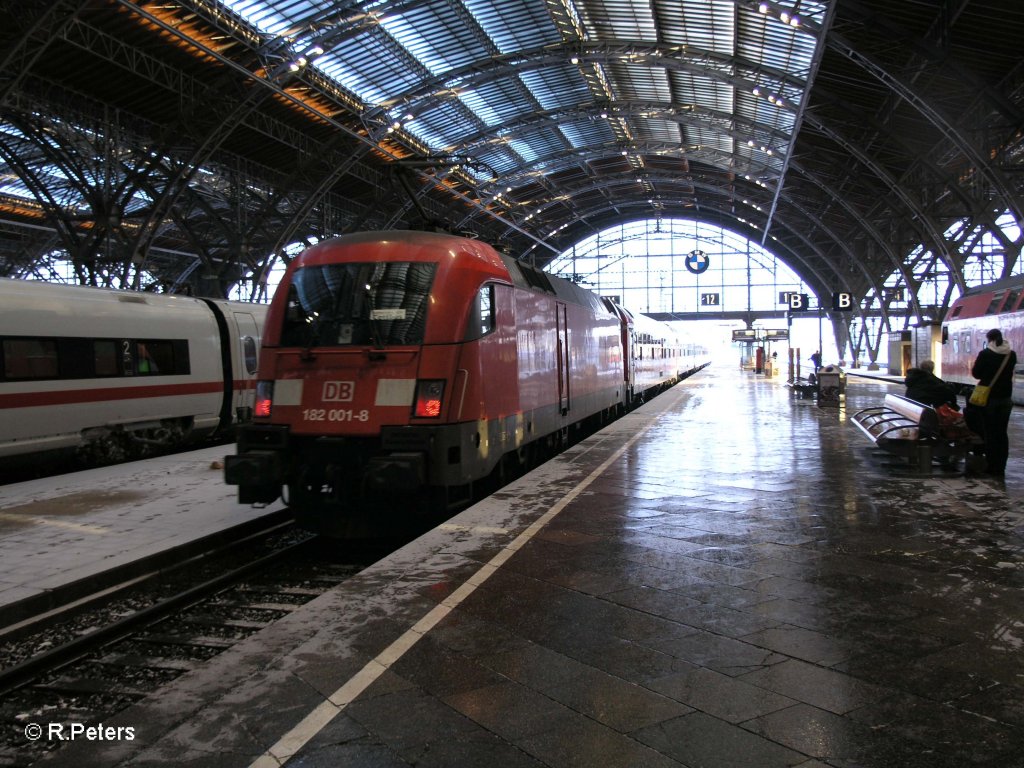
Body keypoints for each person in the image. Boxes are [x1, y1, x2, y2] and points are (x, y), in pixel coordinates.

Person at [970, 328, 1017, 477]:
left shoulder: (985, 354)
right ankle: (1001, 467)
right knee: (1002, 433)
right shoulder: (1011, 354)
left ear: (989, 339)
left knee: (990, 433)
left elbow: (976, 374)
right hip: (1006, 398)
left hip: (988, 398)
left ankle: (991, 466)